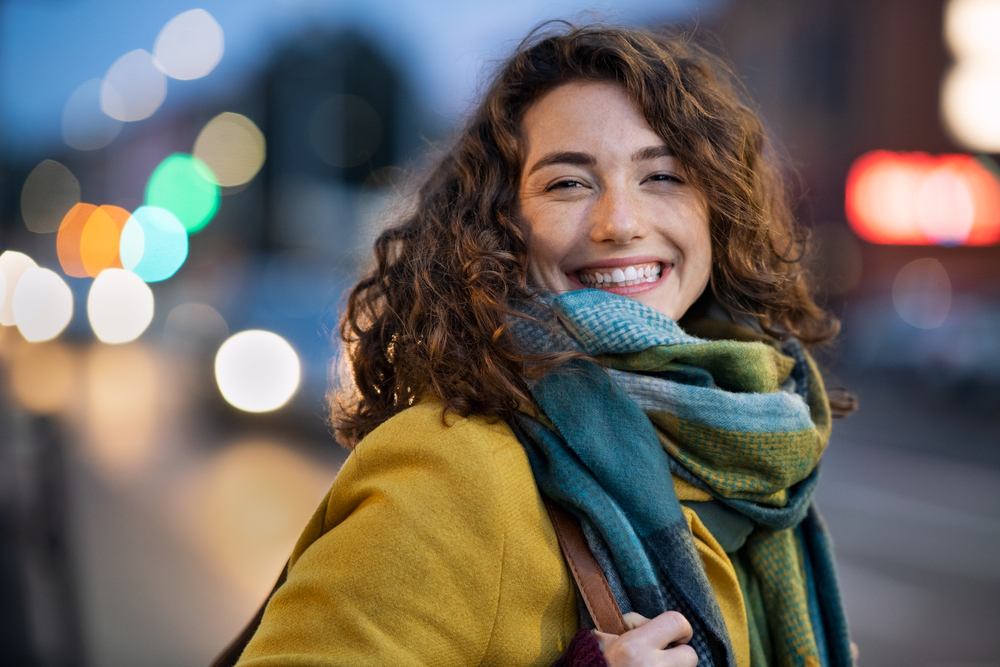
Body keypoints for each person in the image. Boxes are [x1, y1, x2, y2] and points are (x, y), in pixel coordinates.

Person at [233, 22, 857, 667]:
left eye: (663, 176)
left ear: (717, 209)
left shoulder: (761, 457)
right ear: (499, 225)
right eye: (568, 183)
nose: (620, 222)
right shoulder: (452, 468)